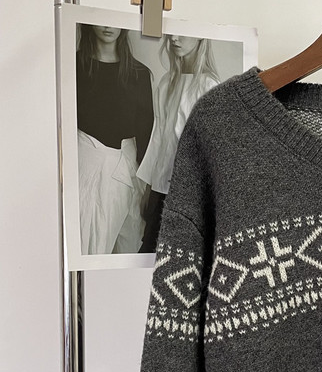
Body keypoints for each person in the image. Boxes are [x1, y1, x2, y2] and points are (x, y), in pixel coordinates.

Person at [137, 35, 220, 252]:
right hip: (160, 191)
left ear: (200, 38)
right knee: (148, 253)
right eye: (171, 33)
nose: (174, 38)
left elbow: (212, 152)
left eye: (182, 33)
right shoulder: (166, 82)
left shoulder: (210, 87)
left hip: (189, 196)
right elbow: (158, 138)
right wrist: (148, 187)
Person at [76, 25, 154, 254]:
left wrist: (148, 186)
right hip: (87, 170)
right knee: (91, 247)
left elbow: (146, 130)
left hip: (131, 173)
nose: (108, 27)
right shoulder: (74, 67)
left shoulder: (139, 73)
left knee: (129, 250)